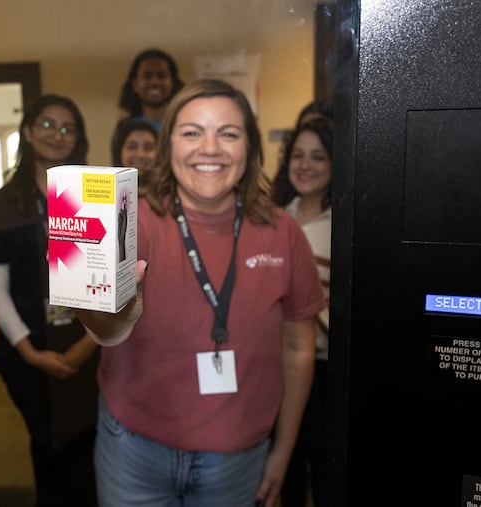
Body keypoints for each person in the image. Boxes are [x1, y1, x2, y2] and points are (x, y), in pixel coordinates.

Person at [74, 78, 327, 507]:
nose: (209, 148)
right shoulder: (124, 220)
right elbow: (104, 332)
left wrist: (283, 453)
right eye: (191, 132)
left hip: (238, 458)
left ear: (249, 148)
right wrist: (100, 302)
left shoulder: (282, 233)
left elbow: (298, 350)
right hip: (133, 450)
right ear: (167, 144)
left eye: (228, 133)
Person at [0, 94, 99, 507]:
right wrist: (29, 352)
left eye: (67, 128)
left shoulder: (94, 197)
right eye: (46, 124)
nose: (56, 135)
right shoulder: (3, 206)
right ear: (27, 132)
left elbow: (111, 282)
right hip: (26, 350)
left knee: (90, 449)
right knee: (47, 447)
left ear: (78, 139)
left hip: (92, 345)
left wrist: (86, 347)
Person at [273, 118, 334, 507]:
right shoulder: (273, 217)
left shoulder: (347, 225)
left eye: (318, 156)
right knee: (283, 467)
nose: (305, 165)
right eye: (297, 155)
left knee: (326, 469)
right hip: (272, 368)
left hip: (328, 369)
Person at [116, 48, 185, 131]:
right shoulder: (124, 128)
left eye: (161, 75)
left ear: (173, 83)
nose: (154, 82)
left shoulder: (185, 125)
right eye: (147, 76)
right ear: (135, 84)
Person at [110, 117, 158, 188]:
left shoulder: (171, 195)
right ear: (119, 152)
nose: (140, 155)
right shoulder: (108, 194)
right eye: (132, 147)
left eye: (148, 148)